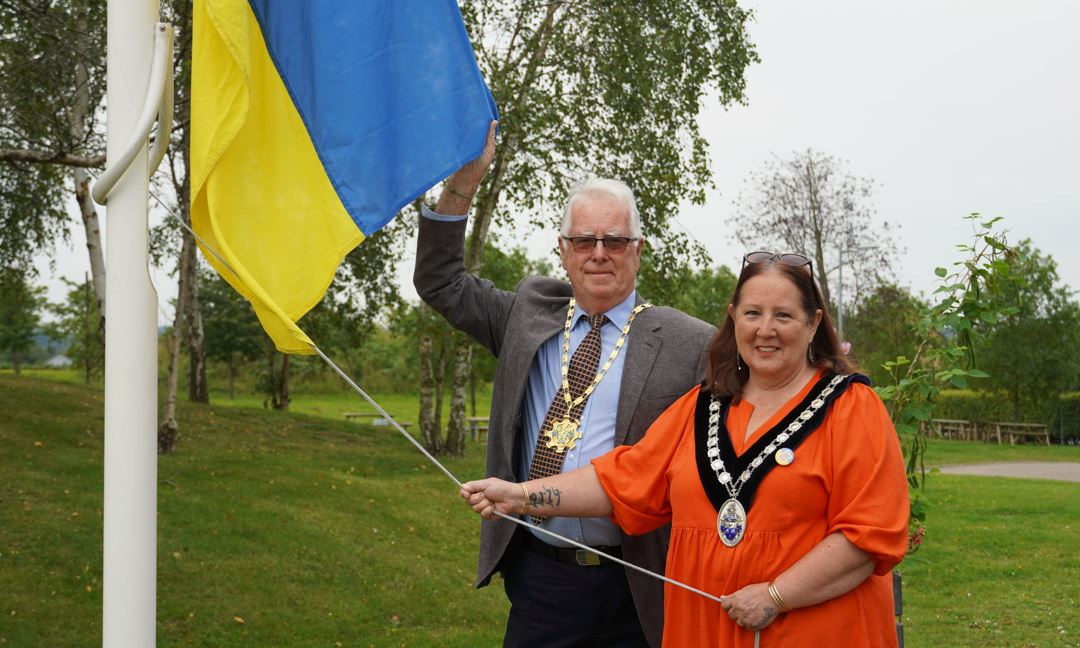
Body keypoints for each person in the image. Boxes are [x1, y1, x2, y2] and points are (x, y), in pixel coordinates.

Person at [462, 251, 909, 647]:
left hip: (815, 633)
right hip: (703, 629)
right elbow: (622, 481)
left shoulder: (852, 407)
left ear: (813, 324)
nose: (765, 329)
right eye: (752, 313)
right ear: (733, 319)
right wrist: (520, 495)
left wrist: (777, 595)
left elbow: (869, 538)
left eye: (784, 316)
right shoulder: (702, 407)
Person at [414, 122, 716, 647]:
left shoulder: (689, 342)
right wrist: (465, 180)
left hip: (641, 582)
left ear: (637, 249)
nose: (599, 252)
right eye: (583, 240)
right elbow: (440, 280)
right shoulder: (525, 318)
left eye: (614, 240)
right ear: (563, 250)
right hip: (542, 580)